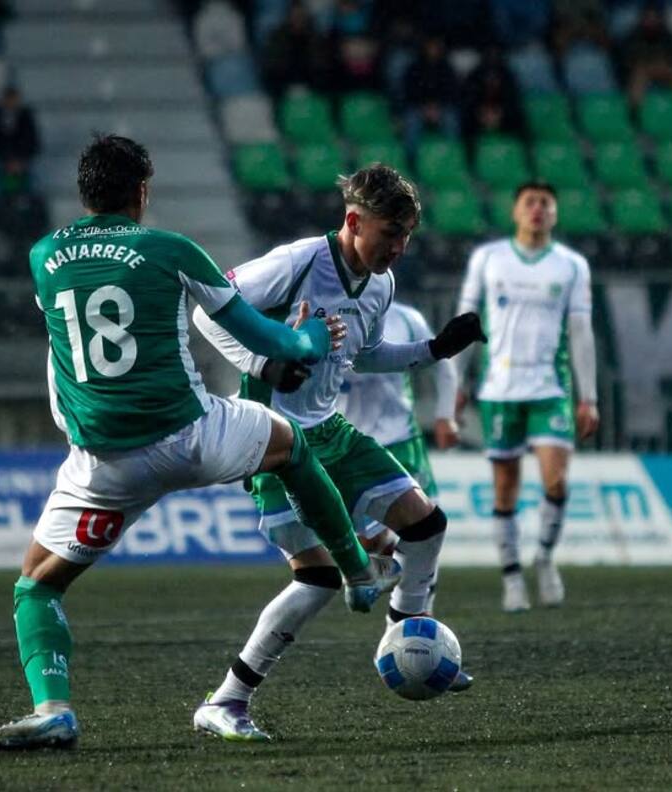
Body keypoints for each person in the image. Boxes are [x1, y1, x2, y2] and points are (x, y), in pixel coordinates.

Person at [0, 135, 401, 752]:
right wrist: (309, 339)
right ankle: (358, 573)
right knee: (289, 444)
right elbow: (269, 340)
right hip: (189, 437)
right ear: (142, 192)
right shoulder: (171, 250)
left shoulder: (44, 256)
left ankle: (54, 708)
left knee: (36, 585)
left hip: (102, 466)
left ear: (83, 191)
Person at [190, 164, 485, 741]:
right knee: (317, 580)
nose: (397, 248)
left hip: (329, 429)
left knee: (426, 524)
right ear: (353, 220)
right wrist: (260, 362)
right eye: (388, 234)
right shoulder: (296, 262)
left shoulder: (381, 283)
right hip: (271, 436)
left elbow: (365, 354)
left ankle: (406, 635)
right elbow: (206, 308)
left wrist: (433, 349)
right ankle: (226, 701)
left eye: (405, 237)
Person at [454, 181, 600, 613]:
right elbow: (466, 322)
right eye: (530, 203)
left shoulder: (571, 266)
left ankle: (545, 557)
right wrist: (456, 387)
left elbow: (580, 332)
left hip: (550, 389)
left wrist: (588, 396)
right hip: (499, 389)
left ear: (555, 214)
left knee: (556, 480)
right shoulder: (488, 258)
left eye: (545, 204)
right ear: (516, 211)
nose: (537, 209)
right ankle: (512, 577)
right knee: (505, 490)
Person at [337, 300, 461, 598]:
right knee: (371, 544)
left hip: (402, 439)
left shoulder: (407, 318)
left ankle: (418, 613)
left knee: (428, 527)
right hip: (350, 445)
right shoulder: (331, 317)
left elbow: (443, 363)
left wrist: (445, 415)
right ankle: (369, 571)